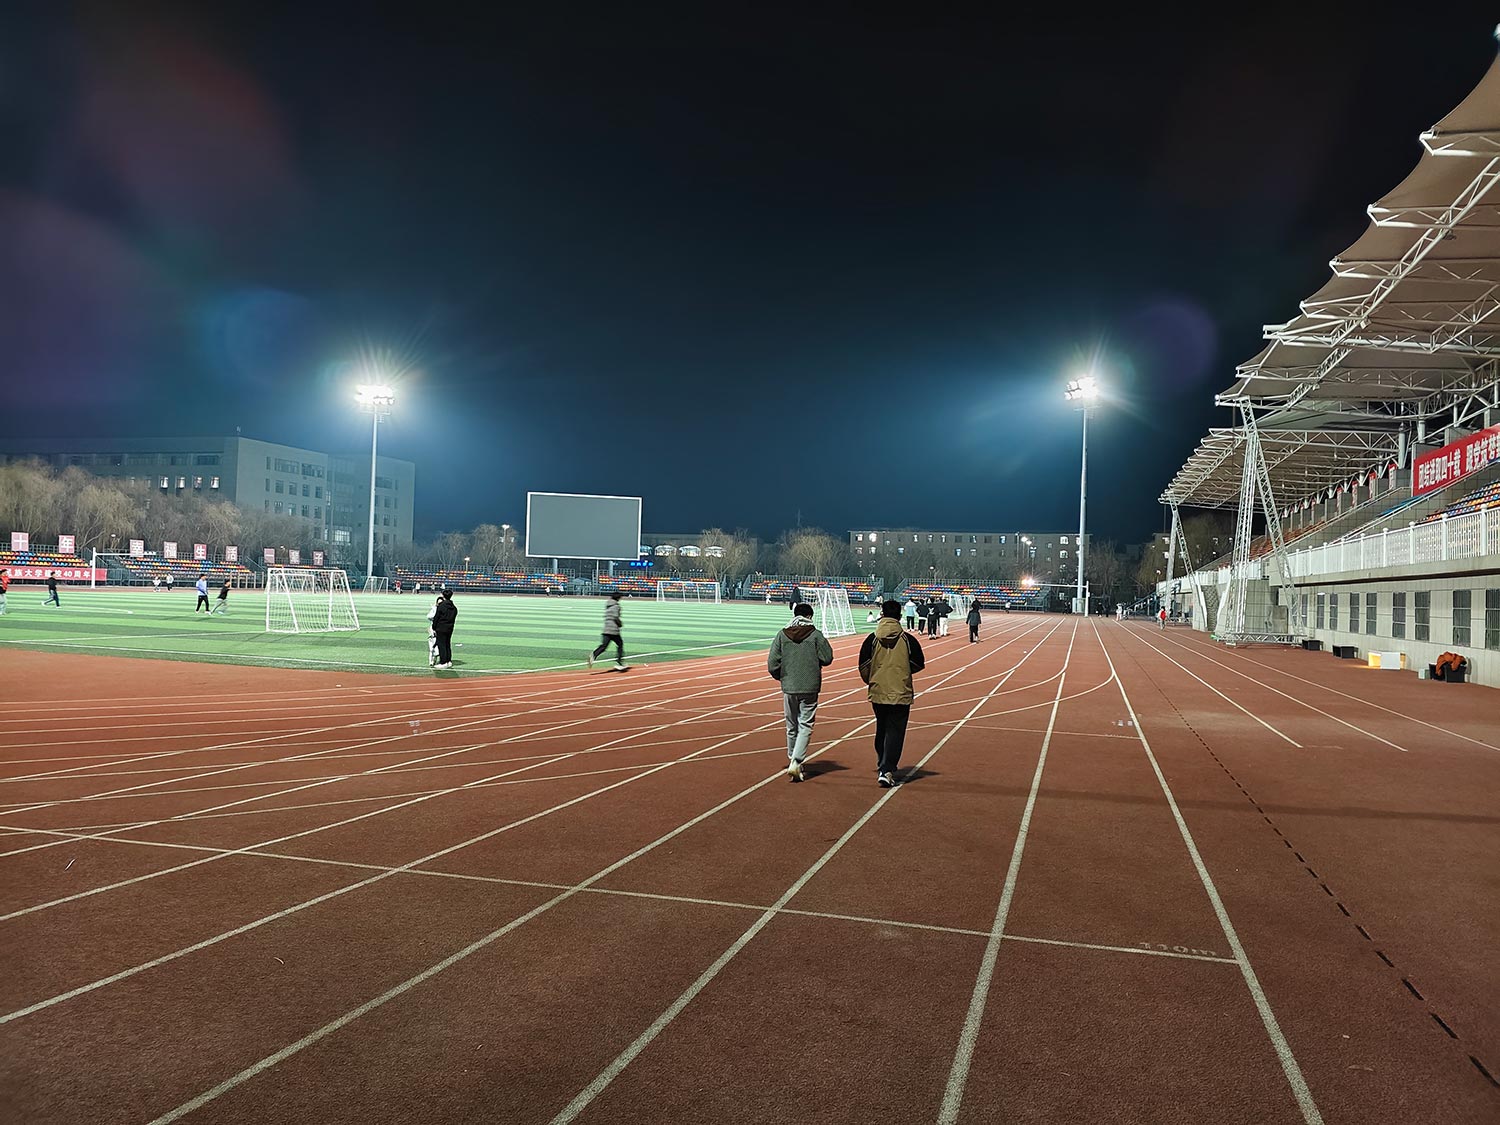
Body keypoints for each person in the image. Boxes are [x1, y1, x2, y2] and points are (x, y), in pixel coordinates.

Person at [858, 599, 925, 788]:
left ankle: (882, 762)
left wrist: (873, 679)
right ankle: (887, 769)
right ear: (900, 616)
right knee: (895, 730)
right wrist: (902, 672)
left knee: (882, 727)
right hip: (900, 691)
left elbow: (863, 664)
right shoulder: (908, 640)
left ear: (882, 614)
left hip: (878, 690)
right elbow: (919, 663)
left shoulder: (871, 639)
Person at [767, 602, 834, 783]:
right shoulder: (816, 635)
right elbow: (827, 658)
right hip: (810, 686)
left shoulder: (782, 635)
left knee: (791, 725)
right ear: (809, 617)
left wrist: (782, 677)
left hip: (789, 686)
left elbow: (772, 663)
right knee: (805, 725)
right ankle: (797, 761)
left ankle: (792, 758)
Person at [588, 592, 627, 671]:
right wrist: (620, 624)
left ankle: (594, 654)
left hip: (606, 629)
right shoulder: (616, 606)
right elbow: (616, 617)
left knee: (603, 646)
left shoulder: (608, 605)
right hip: (614, 630)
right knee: (620, 644)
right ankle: (619, 661)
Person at [428, 588, 457, 668]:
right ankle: (448, 661)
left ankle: (443, 662)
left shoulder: (441, 606)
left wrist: (434, 627)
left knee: (442, 645)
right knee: (447, 644)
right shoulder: (454, 607)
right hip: (450, 628)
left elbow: (436, 617)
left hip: (441, 628)